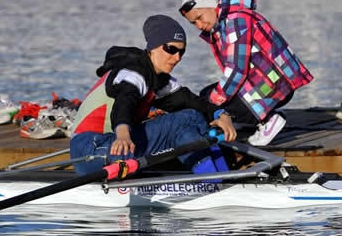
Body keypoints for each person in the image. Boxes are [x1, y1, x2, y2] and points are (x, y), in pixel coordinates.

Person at [69, 14, 237, 177]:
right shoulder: (133, 73)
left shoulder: (158, 80)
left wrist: (221, 114)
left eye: (181, 52)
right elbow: (124, 102)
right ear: (153, 47)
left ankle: (215, 177)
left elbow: (191, 101)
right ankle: (214, 180)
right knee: (189, 119)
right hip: (93, 149)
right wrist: (122, 135)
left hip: (113, 148)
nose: (177, 57)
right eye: (171, 49)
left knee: (189, 124)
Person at [179, 0, 314, 146]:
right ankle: (256, 115)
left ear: (210, 4)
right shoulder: (228, 20)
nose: (199, 25)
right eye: (193, 23)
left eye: (199, 18)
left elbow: (237, 71)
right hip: (272, 81)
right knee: (206, 94)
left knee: (210, 103)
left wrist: (213, 103)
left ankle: (269, 120)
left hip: (276, 85)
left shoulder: (235, 22)